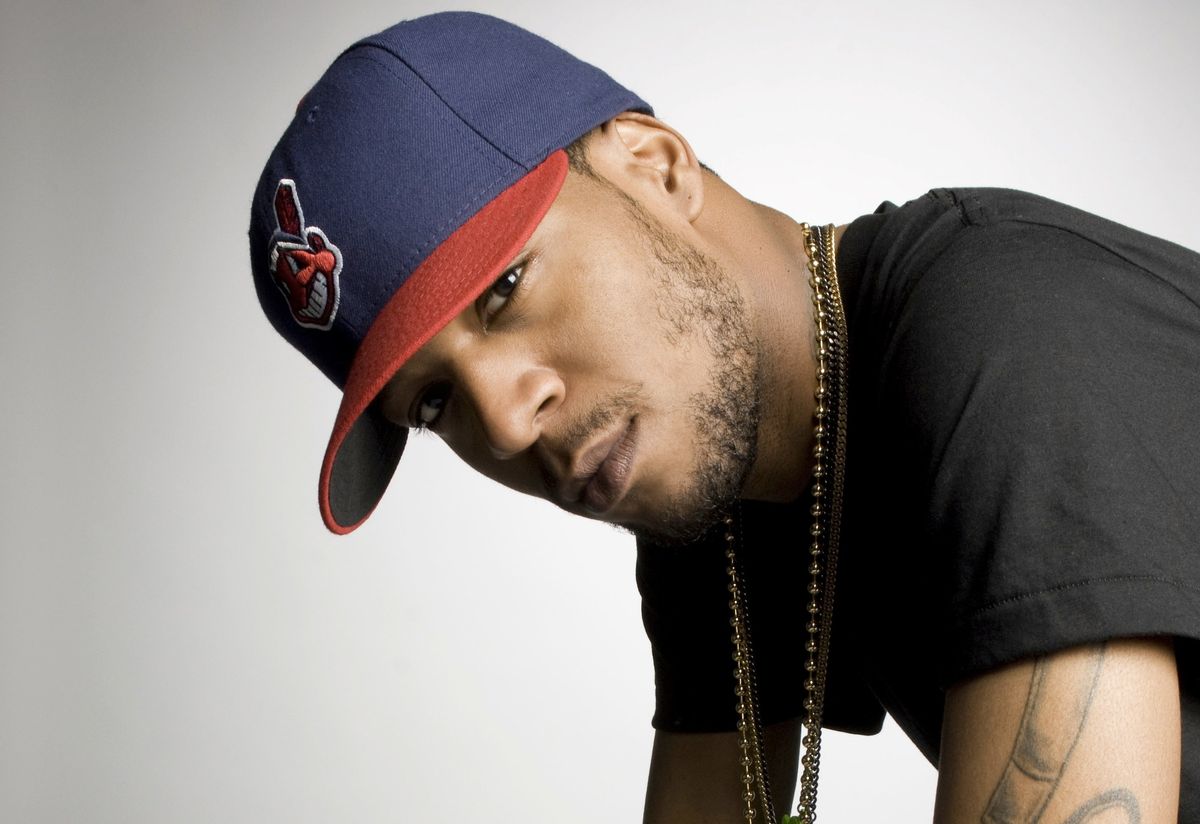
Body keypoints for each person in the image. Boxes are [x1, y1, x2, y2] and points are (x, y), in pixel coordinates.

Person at [248, 12, 1199, 823]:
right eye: (435, 402)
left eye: (504, 288)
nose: (503, 422)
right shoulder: (714, 478)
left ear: (655, 167)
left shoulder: (1004, 336)